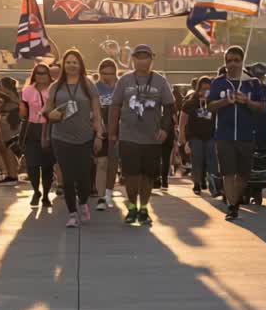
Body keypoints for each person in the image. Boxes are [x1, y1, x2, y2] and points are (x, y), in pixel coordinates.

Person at [109, 44, 175, 226]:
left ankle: (144, 209)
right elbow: (115, 106)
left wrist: (165, 129)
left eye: (146, 56)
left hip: (152, 137)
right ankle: (131, 208)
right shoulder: (125, 80)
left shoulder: (160, 81)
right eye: (138, 56)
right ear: (133, 59)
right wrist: (112, 132)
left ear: (151, 59)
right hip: (128, 135)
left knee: (147, 176)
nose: (142, 60)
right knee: (131, 175)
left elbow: (169, 107)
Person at [44, 49, 104, 228]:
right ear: (64, 64)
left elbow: (97, 112)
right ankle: (72, 213)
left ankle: (83, 202)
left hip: (84, 137)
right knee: (67, 177)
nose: (71, 65)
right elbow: (47, 109)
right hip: (60, 137)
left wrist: (99, 135)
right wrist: (50, 114)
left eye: (75, 62)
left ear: (80, 65)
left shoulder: (87, 84)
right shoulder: (55, 86)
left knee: (84, 177)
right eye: (68, 62)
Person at [208, 46, 266, 221]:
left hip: (245, 135)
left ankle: (235, 199)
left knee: (243, 174)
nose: (232, 64)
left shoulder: (252, 83)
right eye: (229, 60)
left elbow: (262, 108)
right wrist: (226, 101)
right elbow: (210, 106)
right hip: (224, 135)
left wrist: (247, 101)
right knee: (227, 172)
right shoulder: (218, 82)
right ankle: (232, 206)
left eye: (236, 60)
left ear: (242, 61)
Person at [20, 63, 56, 208]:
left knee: (47, 166)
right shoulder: (27, 90)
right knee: (32, 165)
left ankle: (46, 195)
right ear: (34, 75)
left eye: (44, 73)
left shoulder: (54, 89)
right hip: (32, 128)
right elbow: (23, 112)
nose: (41, 76)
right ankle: (36, 191)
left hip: (49, 128)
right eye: (38, 73)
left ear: (49, 75)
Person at [180, 76, 218, 197]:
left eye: (208, 89)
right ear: (198, 89)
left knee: (212, 161)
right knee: (197, 160)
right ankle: (197, 183)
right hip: (195, 136)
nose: (205, 91)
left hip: (211, 136)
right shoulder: (190, 103)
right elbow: (183, 121)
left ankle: (214, 186)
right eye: (203, 89)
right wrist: (182, 137)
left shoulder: (214, 103)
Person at [93, 58, 120, 209]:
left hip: (118, 130)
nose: (107, 76)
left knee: (113, 164)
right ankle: (101, 197)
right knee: (102, 163)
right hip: (101, 129)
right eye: (103, 73)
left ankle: (109, 192)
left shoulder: (121, 86)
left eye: (110, 73)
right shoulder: (95, 88)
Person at [0, 76, 22, 186]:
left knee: (8, 149)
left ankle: (12, 175)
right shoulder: (16, 95)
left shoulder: (4, 95)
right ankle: (11, 174)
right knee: (7, 149)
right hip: (11, 123)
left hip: (8, 124)